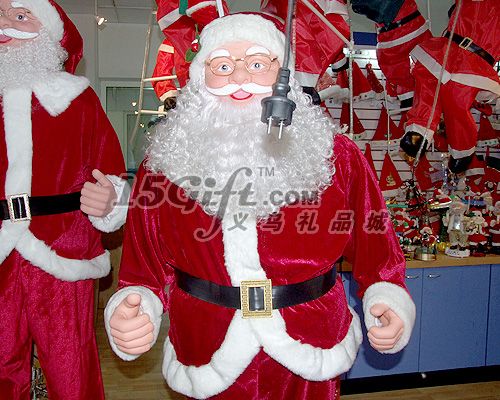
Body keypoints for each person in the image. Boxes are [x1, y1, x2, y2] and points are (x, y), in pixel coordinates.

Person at [105, 13, 415, 400]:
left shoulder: (337, 156)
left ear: (284, 77)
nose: (239, 77)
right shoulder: (163, 165)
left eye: (256, 63)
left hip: (310, 341)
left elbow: (377, 244)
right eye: (222, 66)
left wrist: (386, 296)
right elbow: (142, 267)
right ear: (200, 79)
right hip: (207, 344)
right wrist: (136, 308)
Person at [0, 1, 129, 398]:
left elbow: (111, 170)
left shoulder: (78, 99)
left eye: (20, 15)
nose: (4, 24)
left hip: (63, 248)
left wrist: (109, 200)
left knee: (70, 366)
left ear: (50, 33)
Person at [400, 0, 500, 173]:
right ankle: (419, 132)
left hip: (475, 61)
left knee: (456, 101)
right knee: (427, 80)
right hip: (449, 47)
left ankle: (462, 150)